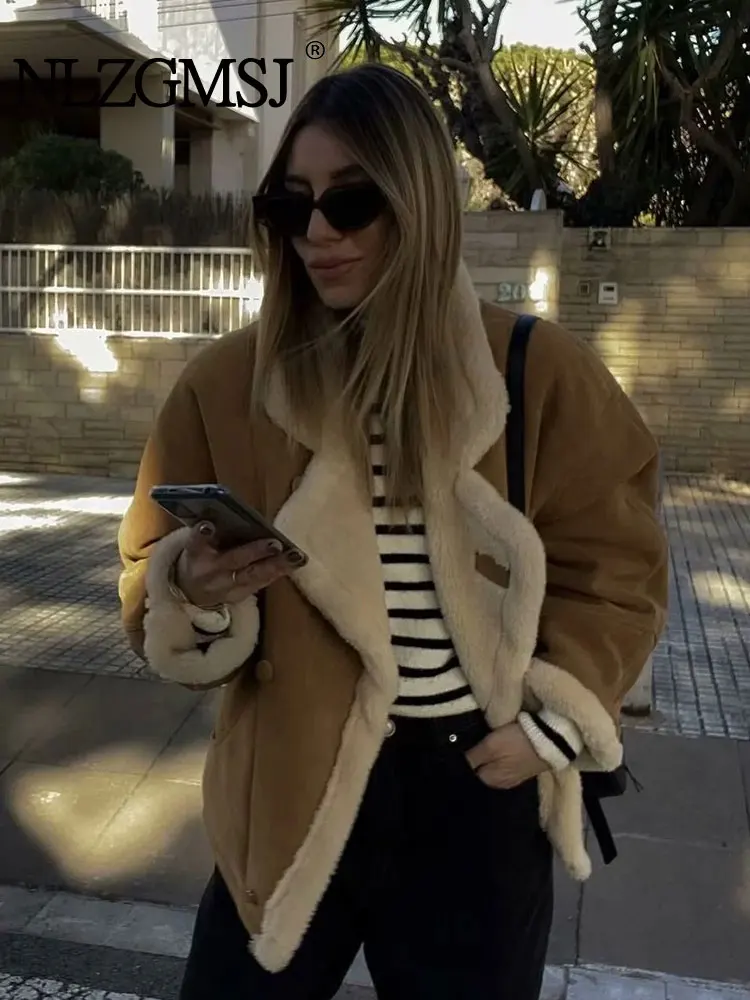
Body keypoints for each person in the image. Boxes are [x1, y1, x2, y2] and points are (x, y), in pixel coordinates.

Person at [118, 63, 668, 1000]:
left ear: (420, 205)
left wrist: (547, 727)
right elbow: (145, 574)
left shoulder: (535, 373)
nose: (317, 233)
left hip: (474, 787)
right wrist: (192, 589)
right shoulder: (227, 385)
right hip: (293, 783)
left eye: (352, 201)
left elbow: (619, 568)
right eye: (291, 206)